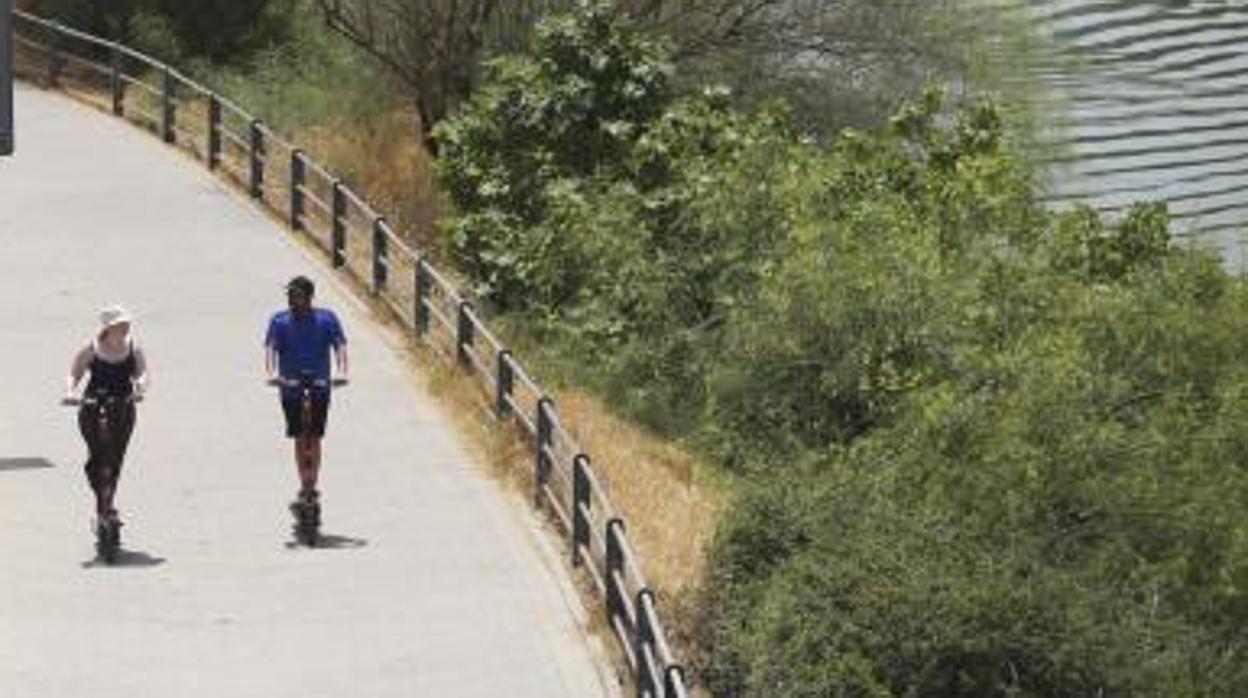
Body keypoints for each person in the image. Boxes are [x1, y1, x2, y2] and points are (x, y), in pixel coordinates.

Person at [264, 275, 348, 518]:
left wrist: (342, 372)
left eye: (296, 295)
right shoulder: (279, 321)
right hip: (290, 385)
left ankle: (312, 483)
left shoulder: (327, 319)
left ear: (309, 297)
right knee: (300, 434)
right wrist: (271, 374)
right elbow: (270, 348)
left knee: (316, 434)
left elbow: (340, 345)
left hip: (321, 384)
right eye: (290, 295)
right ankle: (304, 483)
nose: (291, 299)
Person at [64, 305, 148, 527]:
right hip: (93, 404)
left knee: (115, 457)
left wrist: (140, 388)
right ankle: (103, 502)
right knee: (97, 459)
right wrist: (71, 392)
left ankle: (106, 506)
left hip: (123, 406)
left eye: (127, 324)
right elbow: (75, 372)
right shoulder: (92, 349)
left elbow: (141, 372)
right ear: (109, 328)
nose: (126, 327)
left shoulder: (133, 347)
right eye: (121, 325)